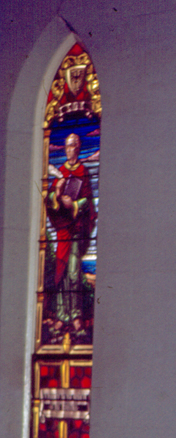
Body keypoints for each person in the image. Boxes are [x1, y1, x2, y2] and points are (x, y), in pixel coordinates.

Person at [45, 132, 95, 341]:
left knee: (74, 272)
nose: (69, 149)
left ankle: (75, 315)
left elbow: (88, 201)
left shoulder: (83, 171)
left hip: (76, 230)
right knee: (62, 272)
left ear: (79, 147)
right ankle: (62, 315)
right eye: (66, 146)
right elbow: (48, 199)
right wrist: (56, 195)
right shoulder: (62, 172)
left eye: (73, 145)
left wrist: (73, 204)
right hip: (63, 230)